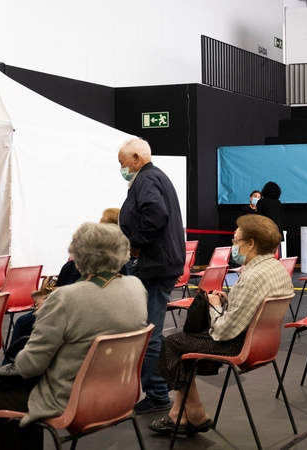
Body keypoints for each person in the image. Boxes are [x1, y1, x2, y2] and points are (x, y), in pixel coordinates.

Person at [0, 222, 148, 449]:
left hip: (69, 400)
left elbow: (29, 367)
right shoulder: (137, 287)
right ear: (122, 251)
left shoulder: (66, 298)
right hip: (121, 396)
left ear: (78, 255)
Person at [148, 215, 294, 436]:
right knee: (185, 342)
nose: (233, 246)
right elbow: (249, 309)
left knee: (172, 343)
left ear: (251, 243)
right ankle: (179, 415)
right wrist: (229, 300)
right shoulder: (276, 268)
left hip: (238, 346)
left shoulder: (252, 276)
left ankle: (194, 413)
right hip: (264, 344)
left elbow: (223, 332)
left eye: (236, 241)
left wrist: (214, 306)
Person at [118, 137, 186, 414]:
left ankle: (157, 393)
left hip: (155, 263)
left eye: (122, 163)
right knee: (150, 328)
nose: (122, 168)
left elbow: (156, 214)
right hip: (161, 262)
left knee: (149, 330)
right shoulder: (156, 177)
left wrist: (135, 242)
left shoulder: (146, 179)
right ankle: (157, 389)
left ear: (136, 158)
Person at [5, 208, 123, 353]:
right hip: (106, 322)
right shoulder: (124, 265)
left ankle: (8, 371)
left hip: (76, 318)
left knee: (23, 323)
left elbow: (68, 295)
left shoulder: (81, 265)